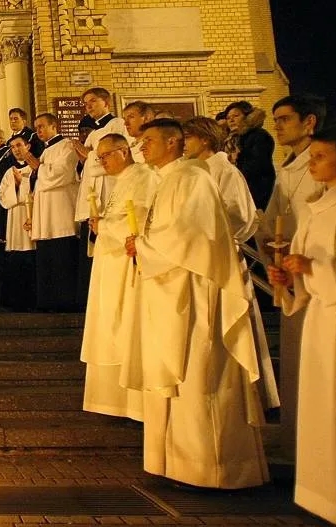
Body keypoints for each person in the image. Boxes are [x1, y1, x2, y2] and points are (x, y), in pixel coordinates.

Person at [126, 118, 268, 489]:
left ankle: (215, 469)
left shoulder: (192, 178)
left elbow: (190, 235)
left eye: (149, 141)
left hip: (195, 291)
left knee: (200, 374)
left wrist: (142, 245)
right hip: (170, 288)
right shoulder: (170, 179)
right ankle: (178, 463)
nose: (142, 148)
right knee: (179, 377)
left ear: (174, 142)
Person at [267, 124, 336, 526]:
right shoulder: (318, 203)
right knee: (324, 407)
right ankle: (329, 496)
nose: (310, 164)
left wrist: (314, 268)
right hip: (320, 318)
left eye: (319, 157)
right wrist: (292, 278)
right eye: (311, 157)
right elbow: (304, 262)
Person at [183, 117, 279, 411]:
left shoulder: (225, 171)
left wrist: (210, 235)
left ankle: (247, 394)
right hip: (200, 257)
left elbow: (240, 216)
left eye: (189, 137)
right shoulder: (193, 171)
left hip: (220, 257)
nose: (184, 143)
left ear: (206, 140)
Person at [257, 93, 327, 458]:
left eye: (285, 119)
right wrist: (266, 237)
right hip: (289, 274)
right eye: (276, 119)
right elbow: (274, 215)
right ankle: (299, 442)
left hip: (317, 274)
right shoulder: (288, 166)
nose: (278, 126)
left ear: (310, 122)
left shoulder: (324, 164)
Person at [80, 134, 156, 422]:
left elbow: (138, 217)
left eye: (106, 155)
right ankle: (112, 400)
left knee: (123, 326)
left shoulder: (143, 177)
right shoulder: (123, 180)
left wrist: (106, 226)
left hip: (126, 263)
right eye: (99, 158)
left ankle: (132, 401)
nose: (102, 162)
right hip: (109, 264)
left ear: (124, 151)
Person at [72, 87, 127, 308]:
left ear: (106, 102)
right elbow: (87, 166)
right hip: (93, 195)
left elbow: (115, 159)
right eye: (85, 103)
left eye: (93, 101)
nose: (88, 106)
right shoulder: (94, 132)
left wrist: (88, 155)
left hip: (109, 192)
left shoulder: (117, 125)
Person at [25, 113, 79, 311]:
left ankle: (64, 301)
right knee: (47, 258)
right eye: (36, 127)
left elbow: (62, 175)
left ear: (54, 126)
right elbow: (39, 181)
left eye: (41, 126)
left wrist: (38, 168)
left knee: (62, 257)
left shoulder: (66, 146)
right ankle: (48, 301)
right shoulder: (46, 151)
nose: (38, 131)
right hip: (45, 213)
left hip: (60, 212)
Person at [0, 135, 36, 310]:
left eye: (19, 145)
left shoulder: (36, 168)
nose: (16, 149)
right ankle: (15, 301)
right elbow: (2, 197)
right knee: (15, 260)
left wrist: (23, 182)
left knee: (32, 257)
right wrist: (17, 186)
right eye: (12, 147)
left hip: (33, 215)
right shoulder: (8, 172)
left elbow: (41, 189)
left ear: (28, 146)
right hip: (15, 218)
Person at [224, 101, 276, 209]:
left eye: (236, 116)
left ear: (247, 116)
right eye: (228, 118)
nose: (231, 120)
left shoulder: (259, 136)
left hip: (257, 193)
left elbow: (256, 165)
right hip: (240, 192)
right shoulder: (232, 139)